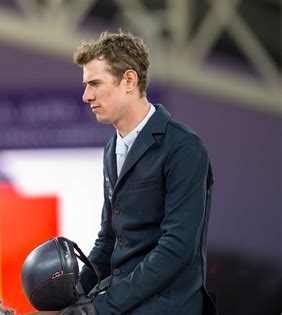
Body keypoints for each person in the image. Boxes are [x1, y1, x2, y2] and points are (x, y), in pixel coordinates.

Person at [59, 31, 217, 314]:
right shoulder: (112, 148)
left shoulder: (183, 147)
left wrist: (102, 308)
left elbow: (176, 249)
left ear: (129, 81)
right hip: (125, 304)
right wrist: (71, 298)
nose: (86, 96)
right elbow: (108, 241)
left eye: (95, 83)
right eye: (85, 85)